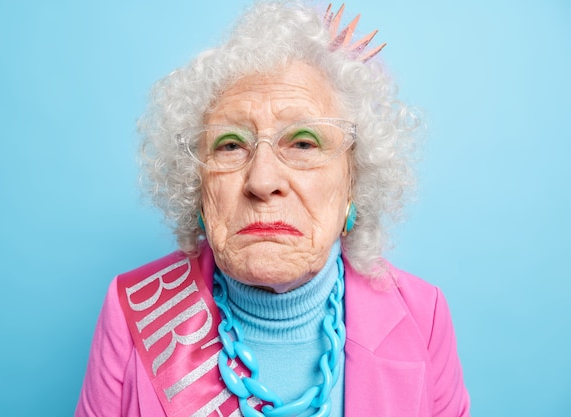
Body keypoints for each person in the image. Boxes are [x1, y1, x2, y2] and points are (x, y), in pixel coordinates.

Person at [75, 1, 470, 416]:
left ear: (354, 181)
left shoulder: (423, 316)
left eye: (303, 143)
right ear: (198, 187)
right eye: (230, 144)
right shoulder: (129, 309)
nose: (262, 182)